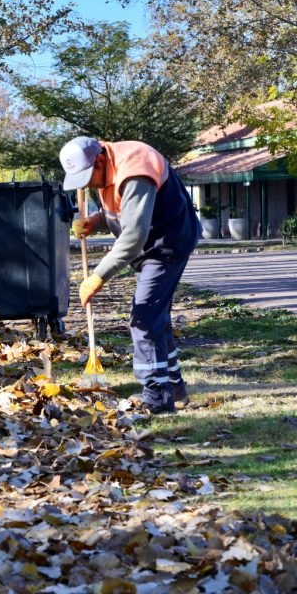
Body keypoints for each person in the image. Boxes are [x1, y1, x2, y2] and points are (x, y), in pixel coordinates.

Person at [60, 136, 201, 414]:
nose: (88, 185)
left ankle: (157, 398)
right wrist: (98, 220)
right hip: (153, 244)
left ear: (99, 161)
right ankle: (174, 389)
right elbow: (125, 209)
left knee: (144, 319)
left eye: (89, 177)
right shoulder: (108, 165)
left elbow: (135, 235)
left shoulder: (135, 167)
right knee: (157, 319)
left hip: (167, 244)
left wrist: (98, 276)